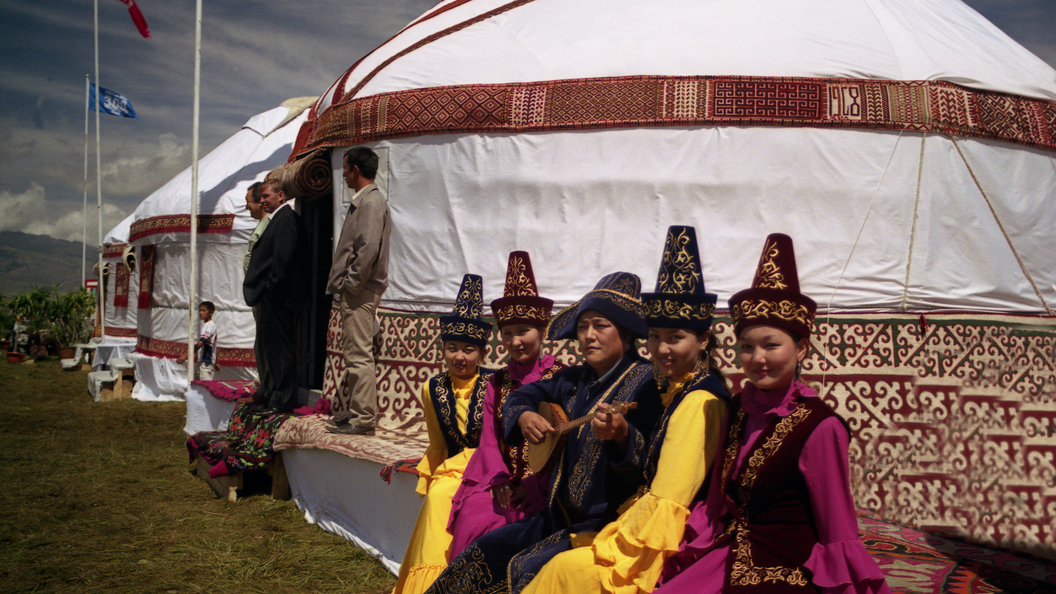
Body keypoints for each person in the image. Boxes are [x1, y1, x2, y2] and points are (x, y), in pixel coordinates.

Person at [655, 233, 891, 594]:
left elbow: (836, 521)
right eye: (746, 347)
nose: (757, 358)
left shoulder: (820, 425)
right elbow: (719, 495)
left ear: (801, 348)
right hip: (728, 547)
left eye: (771, 345)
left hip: (786, 561)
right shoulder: (737, 407)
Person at [520, 226, 730, 594]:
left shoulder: (697, 399)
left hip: (661, 533)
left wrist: (616, 545)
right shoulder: (672, 388)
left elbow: (668, 499)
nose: (662, 349)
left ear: (704, 339)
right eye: (657, 337)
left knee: (558, 573)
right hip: (599, 516)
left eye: (676, 338)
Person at [425, 272, 658, 594]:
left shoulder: (649, 384)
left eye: (601, 326)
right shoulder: (574, 379)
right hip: (556, 516)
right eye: (582, 326)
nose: (588, 336)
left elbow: (651, 460)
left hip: (608, 523)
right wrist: (523, 415)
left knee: (525, 569)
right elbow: (521, 396)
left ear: (627, 334)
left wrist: (621, 436)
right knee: (482, 552)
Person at [447, 251, 566, 558]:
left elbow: (567, 446)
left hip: (545, 488)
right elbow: (488, 441)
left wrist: (533, 487)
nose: (516, 341)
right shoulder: (496, 383)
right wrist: (499, 478)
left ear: (542, 332)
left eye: (523, 331)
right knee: (475, 514)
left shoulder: (562, 380)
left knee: (517, 527)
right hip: (500, 481)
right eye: (508, 333)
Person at [392, 274, 495, 594]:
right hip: (453, 469)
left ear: (481, 353)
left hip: (489, 468)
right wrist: (433, 476)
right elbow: (437, 442)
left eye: (468, 350)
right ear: (443, 349)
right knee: (438, 497)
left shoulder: (495, 383)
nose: (460, 357)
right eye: (452, 348)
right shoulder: (431, 388)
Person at [326, 146, 391, 435]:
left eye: (346, 168)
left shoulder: (371, 203)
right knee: (353, 352)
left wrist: (350, 285)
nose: (344, 175)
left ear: (356, 170)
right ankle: (356, 412)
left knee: (359, 355)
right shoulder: (366, 202)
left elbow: (367, 249)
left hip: (361, 290)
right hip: (359, 289)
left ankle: (363, 419)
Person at [243, 178, 309, 414]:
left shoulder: (285, 221)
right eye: (260, 198)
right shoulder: (276, 220)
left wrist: (269, 290)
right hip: (274, 296)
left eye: (266, 196)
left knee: (281, 348)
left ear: (281, 195)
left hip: (279, 297)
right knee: (274, 347)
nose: (262, 201)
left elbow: (283, 260)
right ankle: (275, 396)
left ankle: (282, 400)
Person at [242, 181, 271, 401]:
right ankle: (264, 385)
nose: (247, 208)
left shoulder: (269, 226)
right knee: (260, 343)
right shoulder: (262, 225)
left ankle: (267, 390)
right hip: (256, 296)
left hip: (263, 296)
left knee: (265, 344)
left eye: (248, 203)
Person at [178, 301, 219, 381]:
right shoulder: (207, 325)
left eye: (203, 310)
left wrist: (186, 356)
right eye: (200, 310)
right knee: (197, 385)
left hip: (206, 362)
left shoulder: (209, 326)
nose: (200, 313)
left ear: (211, 312)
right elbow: (214, 344)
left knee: (205, 387)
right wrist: (216, 362)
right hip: (201, 361)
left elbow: (201, 343)